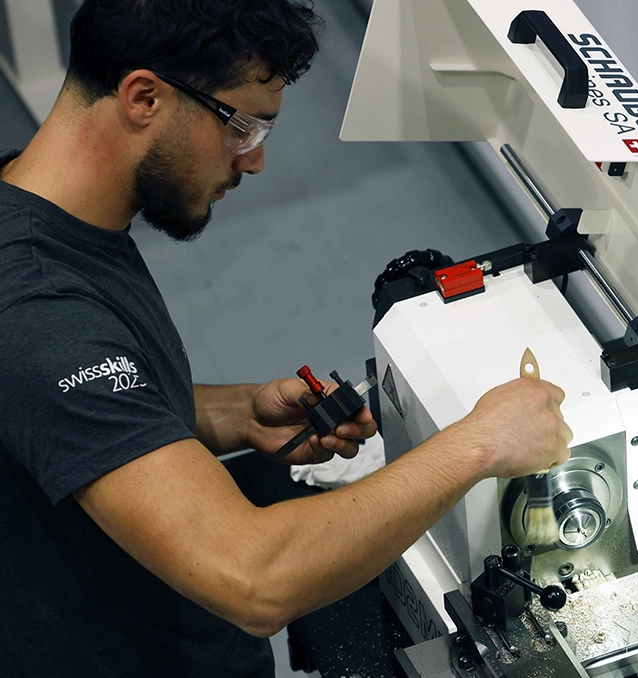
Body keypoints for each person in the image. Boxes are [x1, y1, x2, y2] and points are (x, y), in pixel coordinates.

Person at [0, 1, 573, 675]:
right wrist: (479, 444)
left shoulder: (35, 203)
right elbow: (253, 578)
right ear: (144, 98)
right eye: (242, 126)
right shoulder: (42, 312)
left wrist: (236, 412)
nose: (256, 160)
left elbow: (66, 416)